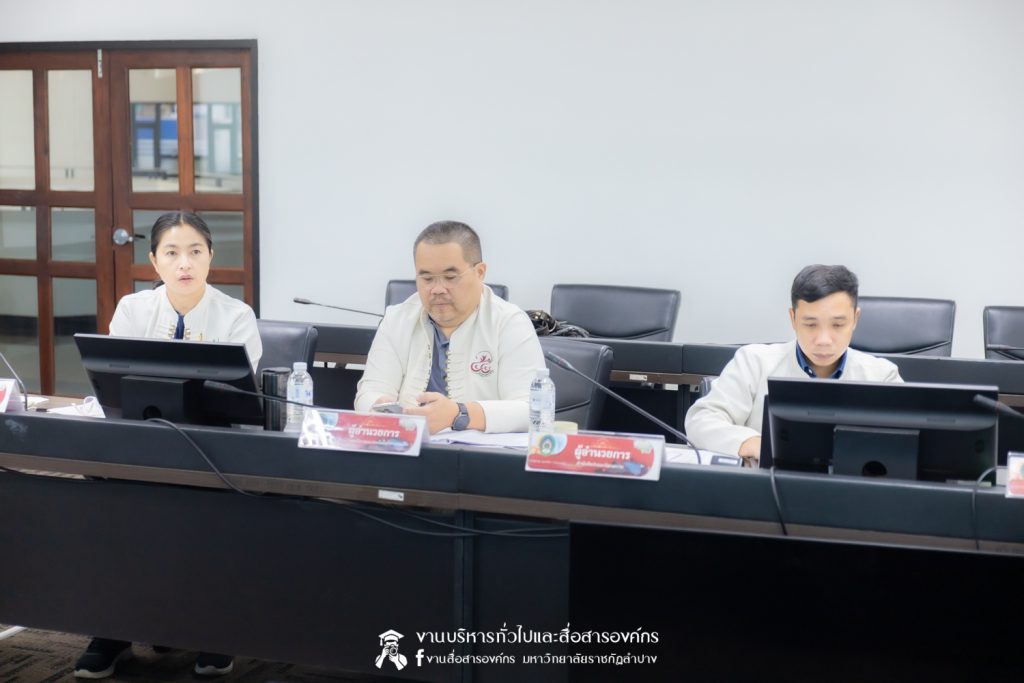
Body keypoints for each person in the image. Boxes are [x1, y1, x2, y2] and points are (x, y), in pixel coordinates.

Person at [73, 212, 258, 679]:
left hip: (211, 453)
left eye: (195, 251)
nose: (185, 263)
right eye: (172, 253)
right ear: (154, 261)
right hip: (140, 447)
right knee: (108, 502)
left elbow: (241, 401)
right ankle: (113, 630)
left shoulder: (237, 316)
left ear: (211, 256)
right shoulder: (133, 310)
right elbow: (113, 386)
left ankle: (213, 630)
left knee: (198, 512)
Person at [685, 264, 902, 460]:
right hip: (767, 487)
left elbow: (904, 443)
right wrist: (753, 443)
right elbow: (701, 420)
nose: (824, 340)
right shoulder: (754, 362)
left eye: (837, 325)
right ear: (793, 318)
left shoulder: (881, 376)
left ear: (855, 319)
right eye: (811, 324)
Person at [355, 220, 544, 433]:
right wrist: (381, 406)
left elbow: (532, 410)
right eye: (427, 278)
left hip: (480, 451)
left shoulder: (509, 323)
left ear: (480, 272)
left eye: (450, 277)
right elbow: (367, 393)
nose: (437, 289)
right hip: (408, 444)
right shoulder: (396, 320)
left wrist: (459, 414)